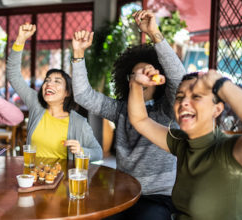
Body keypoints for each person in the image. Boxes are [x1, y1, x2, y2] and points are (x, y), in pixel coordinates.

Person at [71, 10, 184, 219]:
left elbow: (179, 80)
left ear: (158, 79)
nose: (141, 77)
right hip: (125, 193)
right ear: (129, 81)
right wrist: (78, 55)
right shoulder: (120, 110)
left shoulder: (166, 109)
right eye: (136, 74)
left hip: (159, 197)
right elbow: (83, 96)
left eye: (148, 72)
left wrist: (154, 34)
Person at [128, 67, 242, 219]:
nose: (184, 102)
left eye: (196, 96)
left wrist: (221, 84)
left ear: (217, 110)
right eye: (180, 97)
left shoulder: (230, 153)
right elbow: (140, 120)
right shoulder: (181, 143)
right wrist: (135, 83)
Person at [6, 23, 102, 161]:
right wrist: (20, 40)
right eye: (47, 80)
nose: (49, 83)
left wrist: (81, 150)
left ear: (67, 93)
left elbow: (97, 152)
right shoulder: (36, 104)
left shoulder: (79, 122)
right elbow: (13, 75)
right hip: (32, 176)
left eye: (57, 81)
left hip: (61, 179)